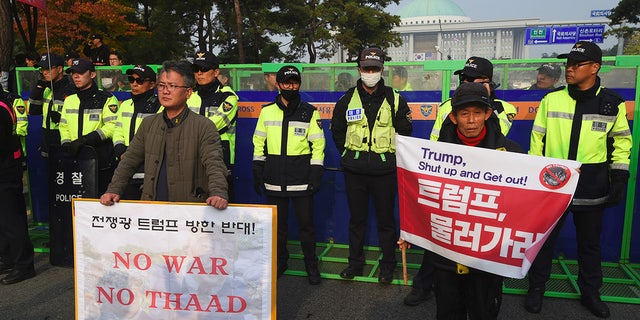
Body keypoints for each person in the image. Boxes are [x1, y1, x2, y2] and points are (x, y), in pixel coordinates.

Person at [526, 41, 632, 319]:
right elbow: (537, 140)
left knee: (589, 243)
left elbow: (621, 144)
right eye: (568, 63)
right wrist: (534, 177)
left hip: (592, 182)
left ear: (595, 68)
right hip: (552, 182)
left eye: (576, 64)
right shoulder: (551, 99)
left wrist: (619, 177)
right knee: (543, 240)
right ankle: (536, 288)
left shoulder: (612, 103)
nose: (569, 68)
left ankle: (590, 293)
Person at [424, 82, 524, 319]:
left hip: (487, 257)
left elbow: (526, 199)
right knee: (448, 313)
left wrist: (564, 182)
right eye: (464, 113)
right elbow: (421, 199)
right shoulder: (432, 155)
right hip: (446, 256)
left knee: (484, 312)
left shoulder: (512, 153)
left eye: (477, 113)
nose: (471, 120)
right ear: (453, 116)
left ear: (488, 114)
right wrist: (408, 229)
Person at [330, 47, 413, 284]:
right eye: (366, 68)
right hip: (355, 172)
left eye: (374, 69)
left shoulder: (395, 98)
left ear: (381, 70)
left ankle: (387, 266)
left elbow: (405, 133)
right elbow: (337, 131)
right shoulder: (346, 99)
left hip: (385, 172)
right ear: (359, 70)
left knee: (386, 221)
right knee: (357, 220)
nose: (370, 73)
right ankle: (355, 263)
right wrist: (347, 154)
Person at [99, 60, 228, 209]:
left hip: (188, 211)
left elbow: (215, 165)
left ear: (188, 92)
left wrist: (218, 193)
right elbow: (128, 162)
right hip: (152, 209)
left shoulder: (203, 126)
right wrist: (113, 190)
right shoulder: (148, 124)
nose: (165, 91)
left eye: (172, 86)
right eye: (162, 86)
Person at [252, 65, 325, 285]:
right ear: (279, 84)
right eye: (286, 83)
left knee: (306, 226)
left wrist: (316, 172)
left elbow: (318, 144)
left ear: (299, 84)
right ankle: (281, 262)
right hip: (274, 179)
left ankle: (311, 265)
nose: (290, 87)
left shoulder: (310, 112)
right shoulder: (266, 111)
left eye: (294, 83)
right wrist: (257, 169)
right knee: (279, 228)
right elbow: (258, 142)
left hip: (301, 180)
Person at [59, 58, 119, 194]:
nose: (75, 76)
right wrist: (67, 144)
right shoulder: (70, 100)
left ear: (92, 75)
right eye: (73, 73)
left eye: (80, 72)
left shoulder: (107, 99)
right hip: (75, 159)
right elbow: (64, 126)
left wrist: (86, 140)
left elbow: (112, 126)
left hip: (100, 160)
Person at [187, 51, 239, 201]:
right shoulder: (189, 95)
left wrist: (187, 131)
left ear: (216, 72)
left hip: (220, 155)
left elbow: (213, 126)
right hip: (191, 154)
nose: (199, 73)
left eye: (203, 69)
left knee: (221, 205)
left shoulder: (228, 96)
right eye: (196, 69)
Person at [430, 56, 517, 141]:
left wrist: (486, 99)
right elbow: (435, 142)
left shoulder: (504, 108)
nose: (466, 82)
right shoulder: (447, 105)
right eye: (464, 78)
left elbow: (495, 138)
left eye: (472, 80)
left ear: (488, 83)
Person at [0, 87, 35, 285]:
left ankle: (23, 264)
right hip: (6, 166)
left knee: (11, 220)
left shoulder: (3, 106)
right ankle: (7, 258)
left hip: (5, 169)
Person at [112, 64, 161, 200]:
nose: (134, 84)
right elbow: (118, 130)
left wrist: (134, 154)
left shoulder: (160, 106)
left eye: (139, 81)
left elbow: (158, 136)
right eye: (131, 80)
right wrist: (121, 150)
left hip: (149, 166)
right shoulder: (126, 104)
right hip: (126, 164)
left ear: (151, 85)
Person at [28, 53, 76, 158]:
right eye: (42, 69)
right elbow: (33, 110)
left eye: (48, 69)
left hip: (66, 145)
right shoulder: (45, 89)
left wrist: (61, 118)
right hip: (47, 145)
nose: (44, 72)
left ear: (59, 69)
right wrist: (39, 86)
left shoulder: (71, 90)